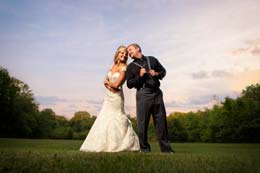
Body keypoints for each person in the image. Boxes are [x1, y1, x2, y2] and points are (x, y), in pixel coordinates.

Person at [80, 46, 140, 152]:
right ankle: (101, 145)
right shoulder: (113, 66)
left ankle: (119, 145)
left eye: (126, 54)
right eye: (122, 53)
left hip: (117, 98)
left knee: (116, 118)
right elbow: (106, 82)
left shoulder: (124, 68)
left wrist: (109, 84)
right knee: (104, 118)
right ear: (117, 54)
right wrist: (109, 85)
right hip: (108, 97)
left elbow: (117, 85)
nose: (124, 55)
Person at [126, 43, 174, 153]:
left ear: (138, 49)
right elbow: (129, 84)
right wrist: (140, 76)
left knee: (161, 121)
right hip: (143, 94)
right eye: (128, 51)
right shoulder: (131, 67)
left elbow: (163, 71)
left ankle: (166, 150)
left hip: (157, 93)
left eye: (130, 50)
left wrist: (156, 73)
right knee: (142, 123)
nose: (129, 53)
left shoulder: (152, 59)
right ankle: (145, 150)